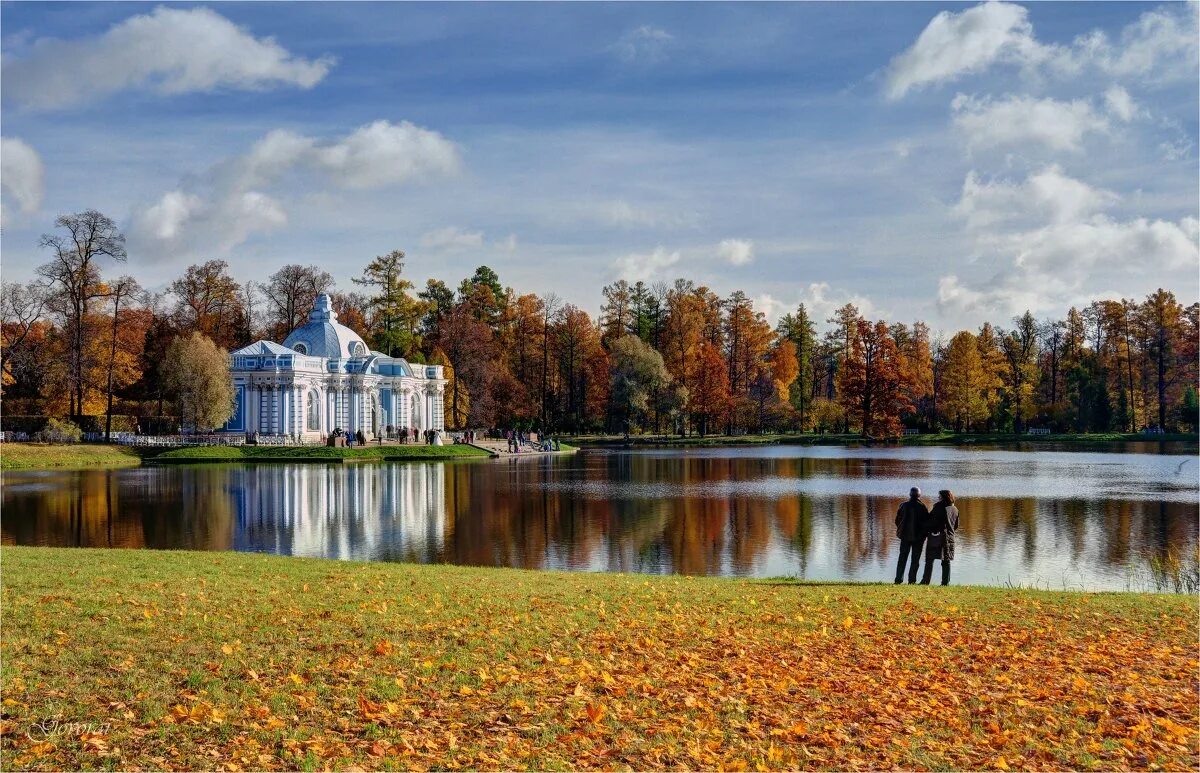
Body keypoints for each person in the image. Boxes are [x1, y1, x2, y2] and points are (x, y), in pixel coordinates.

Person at [922, 490, 960, 586]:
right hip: (950, 537)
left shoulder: (939, 507)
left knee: (929, 559)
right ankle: (945, 583)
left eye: (939, 496)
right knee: (946, 561)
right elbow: (956, 525)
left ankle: (925, 581)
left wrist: (926, 529)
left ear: (943, 497)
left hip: (937, 537)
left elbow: (932, 521)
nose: (938, 498)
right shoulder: (955, 509)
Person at [894, 486, 930, 584]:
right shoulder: (923, 507)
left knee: (902, 558)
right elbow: (926, 524)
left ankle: (898, 579)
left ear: (910, 494)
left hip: (905, 537)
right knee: (915, 560)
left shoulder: (903, 505)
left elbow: (897, 521)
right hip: (919, 538)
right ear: (919, 495)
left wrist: (902, 530)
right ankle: (912, 580)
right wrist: (923, 535)